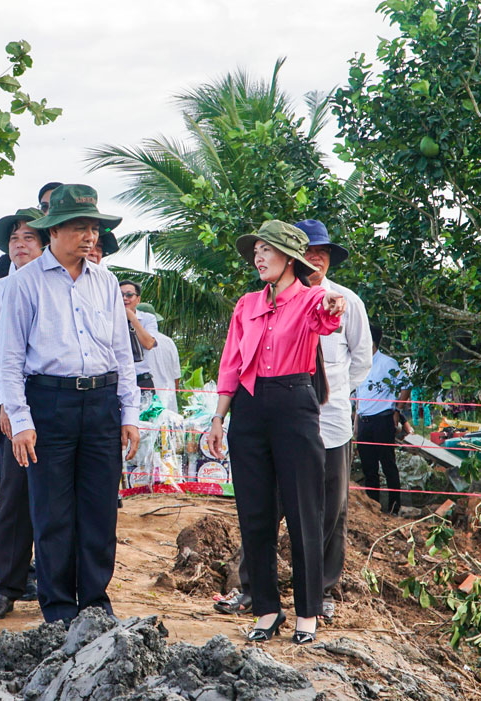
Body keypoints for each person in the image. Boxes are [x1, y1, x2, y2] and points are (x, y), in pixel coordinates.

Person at [0, 184, 141, 625]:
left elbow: (121, 353)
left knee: (98, 509)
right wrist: (20, 420)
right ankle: (58, 609)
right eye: (80, 227)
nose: (90, 236)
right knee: (52, 511)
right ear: (53, 231)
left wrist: (128, 413)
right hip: (48, 403)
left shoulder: (108, 282)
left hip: (101, 403)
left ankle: (95, 602)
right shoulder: (23, 284)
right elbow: (8, 361)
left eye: (94, 227)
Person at [206, 220, 346, 645]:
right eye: (256, 252)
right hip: (247, 409)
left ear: (290, 259)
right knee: (255, 513)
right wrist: (218, 418)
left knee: (306, 510)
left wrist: (333, 306)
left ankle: (308, 613)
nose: (258, 258)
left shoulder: (312, 300)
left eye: (267, 250)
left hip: (294, 404)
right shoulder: (246, 304)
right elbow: (231, 362)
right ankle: (266, 609)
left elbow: (326, 319)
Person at [298, 219, 373, 624]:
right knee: (273, 499)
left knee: (334, 506)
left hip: (333, 419)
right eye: (308, 251)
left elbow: (362, 359)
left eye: (322, 252)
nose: (315, 258)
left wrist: (336, 390)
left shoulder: (348, 302)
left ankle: (324, 587)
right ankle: (253, 584)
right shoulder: (276, 299)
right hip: (287, 419)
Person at [0, 207, 45, 620]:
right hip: (11, 407)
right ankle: (6, 586)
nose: (19, 244)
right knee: (13, 498)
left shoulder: (62, 287)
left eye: (29, 237)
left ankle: (54, 581)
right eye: (14, 239)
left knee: (57, 498)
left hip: (57, 402)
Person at [354, 325, 413, 514]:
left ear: (370, 342)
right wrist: (356, 424)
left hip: (382, 420)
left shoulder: (387, 363)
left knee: (388, 465)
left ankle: (394, 508)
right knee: (368, 468)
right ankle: (374, 509)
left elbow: (406, 385)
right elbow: (358, 397)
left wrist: (397, 410)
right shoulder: (358, 364)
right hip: (364, 422)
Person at [138, 303, 181, 412]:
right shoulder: (168, 342)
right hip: (168, 403)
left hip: (145, 401)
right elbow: (176, 378)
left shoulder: (135, 342)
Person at [120, 280, 159, 391]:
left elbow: (149, 343)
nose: (124, 298)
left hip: (141, 379)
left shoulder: (148, 318)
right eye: (120, 295)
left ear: (138, 299)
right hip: (117, 380)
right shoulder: (108, 319)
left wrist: (132, 318)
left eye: (129, 295)